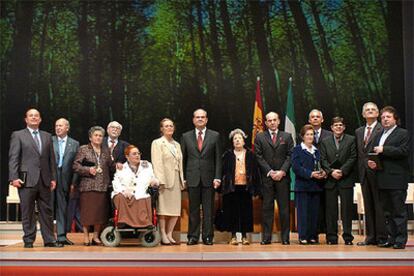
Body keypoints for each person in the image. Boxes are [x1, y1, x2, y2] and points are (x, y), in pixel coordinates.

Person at [8, 108, 63, 248]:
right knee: (28, 211)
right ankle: (28, 240)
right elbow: (13, 158)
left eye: (36, 116)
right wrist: (13, 177)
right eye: (31, 116)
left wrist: (53, 178)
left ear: (40, 119)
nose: (34, 118)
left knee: (47, 211)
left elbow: (51, 160)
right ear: (26, 119)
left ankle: (49, 240)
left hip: (44, 180)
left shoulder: (46, 136)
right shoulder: (18, 135)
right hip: (26, 180)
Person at [368, 106, 410, 249]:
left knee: (398, 211)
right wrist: (373, 162)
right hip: (382, 178)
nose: (385, 119)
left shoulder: (403, 133)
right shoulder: (379, 135)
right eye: (383, 117)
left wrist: (384, 150)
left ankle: (400, 240)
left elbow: (403, 151)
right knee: (387, 212)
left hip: (397, 179)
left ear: (395, 119)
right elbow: (376, 153)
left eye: (388, 117)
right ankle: (391, 238)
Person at [181, 108, 222, 245]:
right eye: (197, 117)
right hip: (192, 178)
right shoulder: (186, 136)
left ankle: (208, 237)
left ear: (206, 119)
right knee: (193, 210)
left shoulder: (215, 136)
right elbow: (183, 159)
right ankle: (192, 236)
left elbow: (218, 159)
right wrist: (183, 178)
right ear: (193, 120)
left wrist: (217, 177)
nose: (200, 119)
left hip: (209, 178)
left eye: (202, 117)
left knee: (208, 210)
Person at [254, 112, 294, 245]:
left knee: (284, 209)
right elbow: (258, 156)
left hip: (283, 178)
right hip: (267, 179)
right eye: (269, 120)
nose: (272, 122)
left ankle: (285, 238)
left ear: (279, 121)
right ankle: (266, 237)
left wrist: (282, 171)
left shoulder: (287, 136)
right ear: (265, 123)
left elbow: (290, 156)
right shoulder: (259, 137)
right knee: (267, 209)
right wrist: (270, 172)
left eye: (274, 120)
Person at [73, 126, 113, 246]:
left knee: (99, 214)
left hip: (102, 186)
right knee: (87, 213)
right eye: (96, 135)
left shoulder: (106, 150)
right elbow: (75, 166)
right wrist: (88, 170)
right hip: (88, 186)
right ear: (90, 137)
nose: (98, 137)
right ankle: (86, 237)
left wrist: (121, 165)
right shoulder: (84, 149)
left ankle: (96, 237)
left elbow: (111, 166)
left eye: (100, 136)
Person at [320, 117, 357, 245]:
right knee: (331, 210)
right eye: (336, 125)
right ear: (331, 127)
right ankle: (331, 237)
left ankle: (348, 237)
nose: (338, 127)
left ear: (344, 127)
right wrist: (331, 172)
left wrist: (342, 171)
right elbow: (322, 159)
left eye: (341, 125)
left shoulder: (351, 139)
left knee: (347, 210)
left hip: (345, 179)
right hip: (330, 180)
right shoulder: (325, 141)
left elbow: (353, 157)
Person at [355, 102, 387, 246]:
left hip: (378, 172)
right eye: (367, 110)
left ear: (378, 113)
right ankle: (370, 237)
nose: (370, 111)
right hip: (363, 173)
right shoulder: (359, 131)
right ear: (363, 114)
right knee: (368, 205)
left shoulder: (382, 129)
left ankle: (382, 237)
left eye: (373, 109)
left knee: (379, 205)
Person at [221, 129, 260, 245]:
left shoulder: (250, 154)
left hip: (246, 187)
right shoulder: (227, 155)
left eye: (240, 138)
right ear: (232, 142)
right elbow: (223, 171)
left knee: (245, 212)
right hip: (231, 187)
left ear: (244, 141)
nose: (237, 140)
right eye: (235, 139)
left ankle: (244, 236)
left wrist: (256, 188)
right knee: (232, 211)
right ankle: (233, 236)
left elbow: (255, 171)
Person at [151, 118, 185, 245]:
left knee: (175, 209)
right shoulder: (157, 143)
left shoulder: (177, 144)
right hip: (164, 179)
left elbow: (180, 163)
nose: (169, 128)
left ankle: (170, 233)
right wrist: (161, 180)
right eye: (166, 126)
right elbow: (157, 162)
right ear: (161, 129)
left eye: (171, 126)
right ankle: (162, 234)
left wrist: (182, 180)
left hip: (176, 178)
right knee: (163, 209)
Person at [291, 125, 326, 244]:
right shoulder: (297, 150)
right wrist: (310, 174)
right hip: (302, 187)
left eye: (312, 134)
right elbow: (296, 168)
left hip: (316, 186)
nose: (310, 137)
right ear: (302, 136)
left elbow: (319, 165)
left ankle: (313, 235)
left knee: (314, 213)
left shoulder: (317, 151)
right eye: (308, 134)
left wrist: (322, 173)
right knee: (303, 213)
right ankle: (303, 236)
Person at [112, 145, 159, 228]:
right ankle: (123, 221)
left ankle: (145, 223)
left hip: (142, 191)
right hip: (126, 193)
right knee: (119, 197)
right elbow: (116, 182)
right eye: (134, 154)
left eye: (138, 153)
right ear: (127, 156)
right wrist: (124, 191)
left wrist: (154, 181)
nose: (137, 155)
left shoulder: (146, 165)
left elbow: (153, 177)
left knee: (143, 197)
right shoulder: (122, 167)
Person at [51, 118, 79, 245]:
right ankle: (49, 237)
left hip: (66, 180)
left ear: (67, 128)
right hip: (50, 179)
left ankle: (61, 236)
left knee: (62, 208)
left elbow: (76, 165)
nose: (58, 128)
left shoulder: (74, 143)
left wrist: (74, 183)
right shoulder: (49, 140)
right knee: (48, 207)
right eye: (56, 126)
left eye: (60, 126)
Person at [308, 109, 331, 236]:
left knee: (327, 205)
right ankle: (313, 232)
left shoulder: (330, 134)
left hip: (327, 176)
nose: (315, 118)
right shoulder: (304, 134)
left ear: (322, 120)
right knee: (313, 206)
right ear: (309, 120)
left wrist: (326, 171)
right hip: (310, 177)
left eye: (318, 117)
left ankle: (329, 232)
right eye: (313, 117)